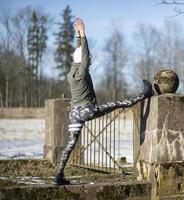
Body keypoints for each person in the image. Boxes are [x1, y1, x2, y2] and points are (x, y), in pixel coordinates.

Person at [53, 18, 153, 185]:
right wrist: (83, 34)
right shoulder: (82, 72)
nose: (90, 60)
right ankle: (145, 95)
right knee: (120, 103)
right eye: (89, 59)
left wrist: (77, 36)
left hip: (74, 114)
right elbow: (83, 55)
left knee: (70, 144)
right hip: (86, 110)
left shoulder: (72, 71)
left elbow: (79, 54)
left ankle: (58, 175)